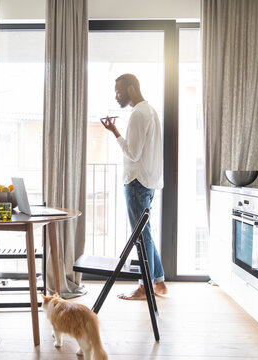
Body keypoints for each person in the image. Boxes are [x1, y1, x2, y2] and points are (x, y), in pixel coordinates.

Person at [100, 73, 168, 300]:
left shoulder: (139, 114)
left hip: (137, 182)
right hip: (147, 181)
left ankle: (144, 286)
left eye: (119, 91)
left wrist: (115, 132)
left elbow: (133, 152)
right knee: (145, 233)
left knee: (140, 236)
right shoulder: (149, 111)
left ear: (130, 89)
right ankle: (158, 283)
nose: (117, 96)